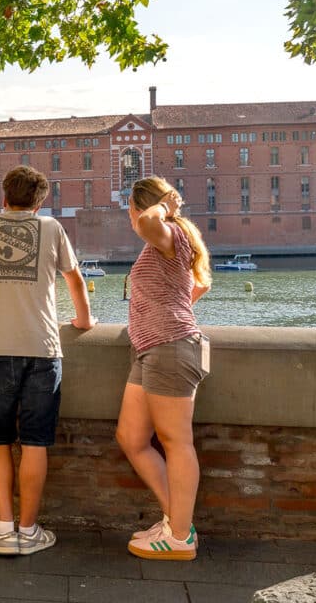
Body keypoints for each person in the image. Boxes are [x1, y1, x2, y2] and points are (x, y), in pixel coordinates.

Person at [0, 165, 96, 555]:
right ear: (40, 201)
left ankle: (1, 530)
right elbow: (75, 280)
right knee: (35, 444)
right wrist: (83, 321)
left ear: (3, 196)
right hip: (44, 349)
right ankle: (29, 532)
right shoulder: (52, 229)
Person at [115, 177, 211, 560]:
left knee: (176, 442)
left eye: (131, 209)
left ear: (142, 207)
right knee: (131, 437)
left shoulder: (167, 231)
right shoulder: (165, 242)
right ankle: (176, 520)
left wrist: (165, 207)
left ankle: (181, 537)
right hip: (151, 348)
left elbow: (146, 224)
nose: (130, 218)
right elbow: (199, 287)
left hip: (169, 348)